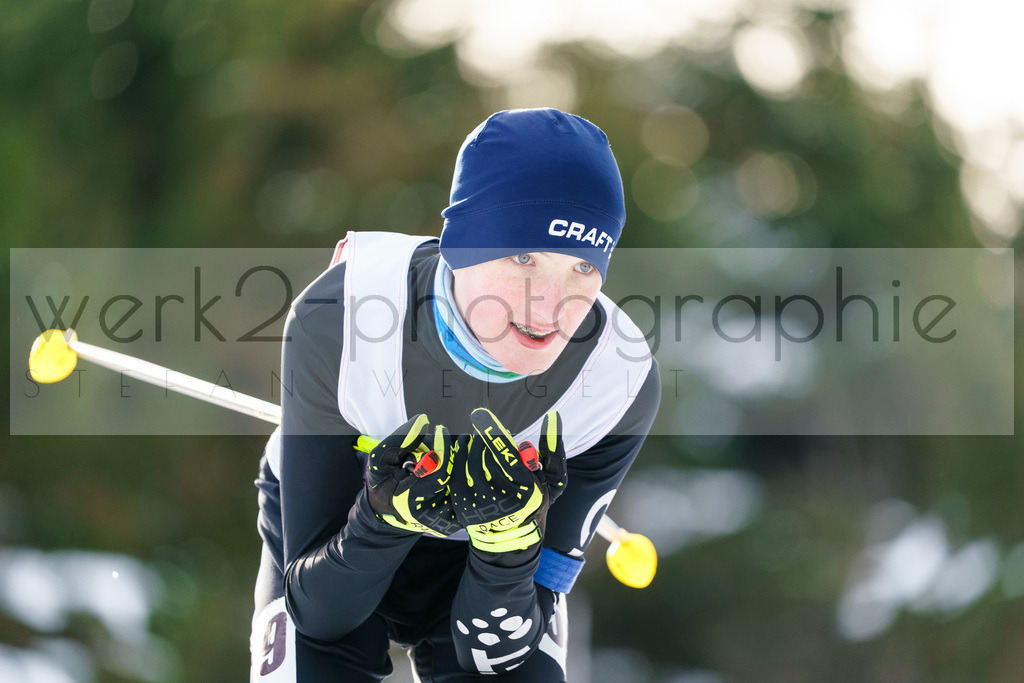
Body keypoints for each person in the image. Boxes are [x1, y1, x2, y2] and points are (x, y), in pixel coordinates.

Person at [250, 108, 660, 681]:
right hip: (342, 532)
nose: (550, 306)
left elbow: (499, 653)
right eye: (523, 257)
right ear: (462, 244)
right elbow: (323, 618)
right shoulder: (339, 316)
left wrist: (506, 552)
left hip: (480, 578)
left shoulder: (617, 382)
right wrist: (381, 520)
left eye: (582, 268)